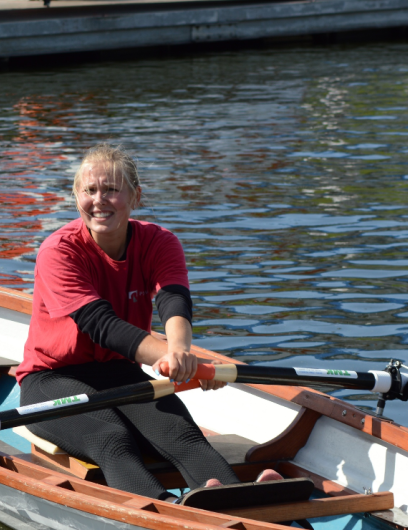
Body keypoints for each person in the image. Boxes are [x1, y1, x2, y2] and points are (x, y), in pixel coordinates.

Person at [15, 144, 271, 501]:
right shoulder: (59, 251)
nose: (99, 200)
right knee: (111, 439)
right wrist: (170, 359)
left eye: (111, 190)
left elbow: (173, 300)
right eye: (89, 191)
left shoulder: (159, 241)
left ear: (135, 196)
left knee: (183, 436)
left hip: (119, 372)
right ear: (76, 197)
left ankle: (248, 503)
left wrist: (181, 353)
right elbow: (100, 324)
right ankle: (166, 516)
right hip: (52, 378)